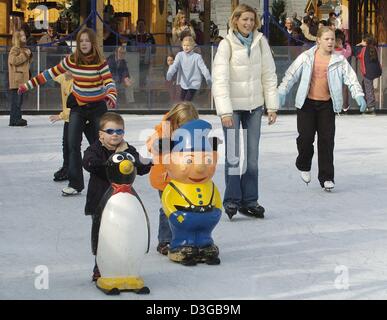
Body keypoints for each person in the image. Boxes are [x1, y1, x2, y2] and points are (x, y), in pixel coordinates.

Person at [18, 28, 117, 196]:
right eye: (81, 41)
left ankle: (109, 179)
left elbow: (108, 81)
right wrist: (27, 85)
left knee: (102, 144)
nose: (84, 43)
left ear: (92, 43)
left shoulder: (100, 62)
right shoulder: (72, 61)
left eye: (87, 40)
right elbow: (49, 73)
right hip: (78, 106)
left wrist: (111, 94)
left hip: (97, 107)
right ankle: (75, 183)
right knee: (72, 144)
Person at [278, 27, 367, 191]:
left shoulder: (339, 60)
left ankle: (326, 177)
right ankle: (303, 163)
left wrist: (358, 94)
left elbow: (351, 79)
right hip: (307, 104)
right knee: (305, 138)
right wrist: (282, 91)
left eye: (332, 39)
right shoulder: (306, 57)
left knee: (326, 141)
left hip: (327, 105)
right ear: (318, 40)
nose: (330, 42)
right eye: (327, 39)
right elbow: (291, 75)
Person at [212, 4, 278, 220]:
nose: (248, 23)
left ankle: (249, 200)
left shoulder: (261, 43)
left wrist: (272, 105)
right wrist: (224, 111)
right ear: (235, 20)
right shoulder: (226, 45)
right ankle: (232, 199)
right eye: (244, 19)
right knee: (233, 156)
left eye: (252, 19)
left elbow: (269, 75)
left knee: (252, 158)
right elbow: (219, 80)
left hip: (255, 107)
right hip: (231, 109)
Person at [82, 112, 152, 281]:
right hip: (101, 201)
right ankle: (100, 267)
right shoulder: (95, 149)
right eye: (110, 131)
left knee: (124, 234)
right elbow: (89, 163)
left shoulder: (127, 150)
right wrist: (111, 163)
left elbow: (141, 166)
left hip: (123, 203)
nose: (115, 135)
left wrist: (147, 162)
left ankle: (125, 265)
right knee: (104, 236)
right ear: (101, 134)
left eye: (119, 131)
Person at [146, 102, 199, 256]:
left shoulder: (194, 134)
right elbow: (150, 144)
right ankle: (165, 240)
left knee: (186, 208)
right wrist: (159, 144)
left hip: (184, 179)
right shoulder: (163, 130)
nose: (184, 130)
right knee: (167, 209)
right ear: (174, 120)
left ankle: (186, 237)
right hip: (165, 179)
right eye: (181, 125)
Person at [166, 35, 212, 102]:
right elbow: (174, 66)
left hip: (193, 83)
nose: (186, 47)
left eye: (188, 45)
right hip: (184, 83)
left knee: (187, 101)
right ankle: (186, 111)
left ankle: (187, 111)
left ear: (192, 46)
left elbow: (203, 68)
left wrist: (208, 78)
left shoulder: (197, 57)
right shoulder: (179, 55)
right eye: (184, 45)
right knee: (182, 100)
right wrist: (169, 73)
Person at [49, 71, 73, 181]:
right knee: (67, 144)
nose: (66, 70)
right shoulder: (63, 77)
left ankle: (70, 170)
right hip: (69, 118)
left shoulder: (75, 83)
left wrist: (61, 116)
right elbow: (52, 74)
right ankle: (67, 168)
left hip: (80, 117)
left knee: (72, 145)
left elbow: (73, 106)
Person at [8, 30, 32, 127]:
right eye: (21, 35)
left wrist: (28, 54)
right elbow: (13, 60)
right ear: (17, 38)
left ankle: (16, 118)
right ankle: (15, 119)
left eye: (24, 34)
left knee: (19, 100)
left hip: (21, 79)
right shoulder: (15, 49)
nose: (24, 36)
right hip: (17, 80)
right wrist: (25, 55)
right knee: (16, 101)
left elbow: (26, 63)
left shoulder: (22, 49)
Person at [354, 34, 382, 114]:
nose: (361, 42)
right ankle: (368, 104)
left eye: (362, 40)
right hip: (376, 71)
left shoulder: (363, 49)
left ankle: (371, 107)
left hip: (368, 72)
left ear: (365, 42)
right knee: (365, 85)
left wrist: (358, 45)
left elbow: (358, 55)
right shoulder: (375, 48)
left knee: (368, 88)